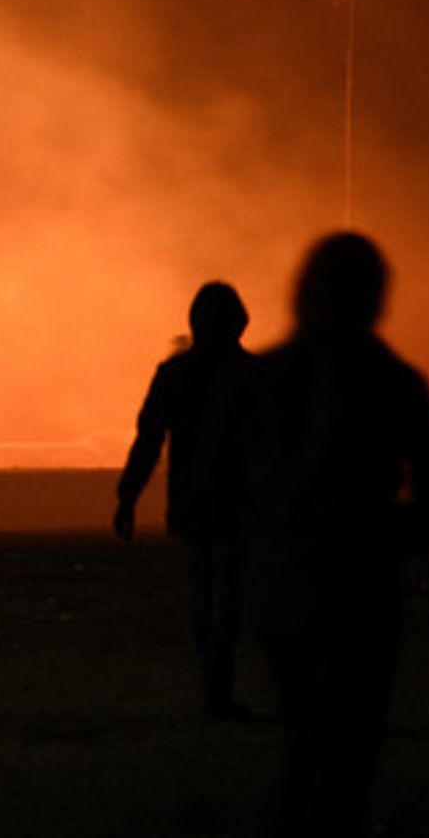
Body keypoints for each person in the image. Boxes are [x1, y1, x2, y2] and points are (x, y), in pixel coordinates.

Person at [239, 233, 429, 834]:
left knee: (302, 734)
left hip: (283, 578)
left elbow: (221, 476)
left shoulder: (264, 378)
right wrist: (392, 535)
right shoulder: (396, 382)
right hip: (361, 581)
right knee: (351, 745)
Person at [113, 281, 255, 720]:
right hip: (240, 503)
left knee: (204, 591)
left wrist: (127, 497)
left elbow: (149, 441)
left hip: (193, 500)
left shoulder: (175, 375)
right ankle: (219, 685)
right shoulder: (254, 376)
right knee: (228, 595)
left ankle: (211, 683)